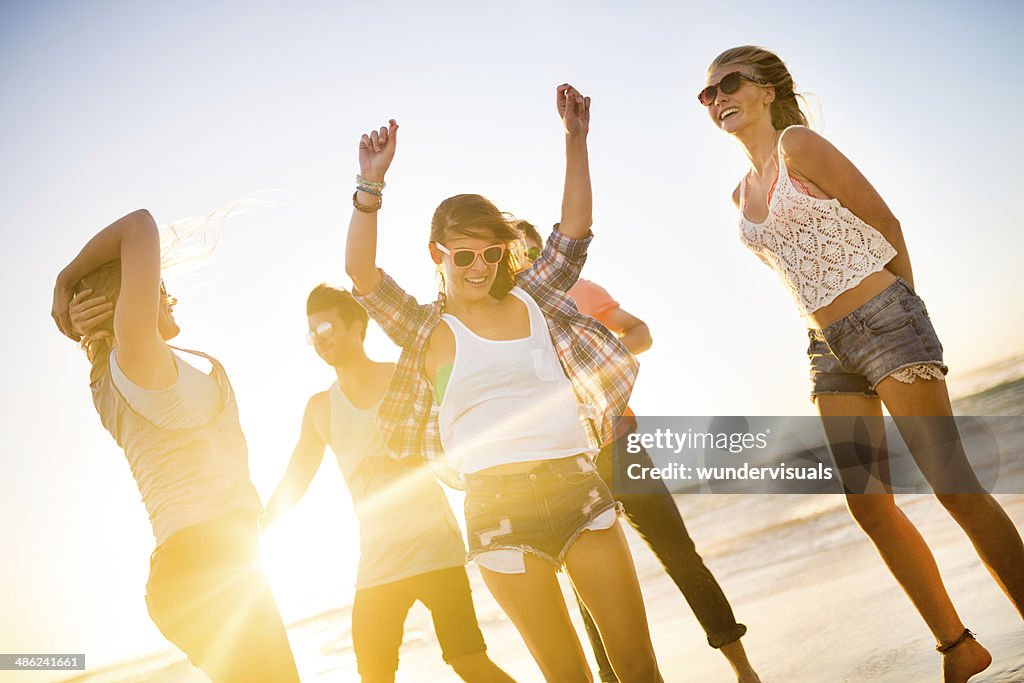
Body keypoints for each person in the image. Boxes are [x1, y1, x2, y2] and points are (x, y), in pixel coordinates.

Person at [700, 45, 1024, 682]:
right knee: (869, 505)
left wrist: (904, 308)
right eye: (707, 94)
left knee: (952, 484)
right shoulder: (738, 193)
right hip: (827, 348)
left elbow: (886, 223)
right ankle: (959, 647)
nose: (717, 100)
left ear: (767, 89)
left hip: (885, 321)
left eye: (729, 84)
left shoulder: (800, 146)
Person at [344, 85, 663, 682]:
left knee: (638, 666)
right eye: (463, 257)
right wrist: (371, 187)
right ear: (436, 254)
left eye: (489, 255)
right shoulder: (425, 328)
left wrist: (576, 139)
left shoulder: (532, 298)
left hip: (576, 488)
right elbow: (360, 276)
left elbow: (574, 231)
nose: (478, 269)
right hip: (497, 513)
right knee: (569, 675)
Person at [50, 209, 299, 682]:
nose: (169, 297)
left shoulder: (122, 372)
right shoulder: (139, 361)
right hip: (206, 563)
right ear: (126, 304)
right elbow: (140, 224)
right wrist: (65, 283)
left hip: (206, 567)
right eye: (158, 289)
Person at [519, 221, 760, 683]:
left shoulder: (581, 292)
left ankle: (744, 671)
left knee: (679, 554)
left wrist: (606, 354)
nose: (529, 264)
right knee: (586, 587)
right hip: (570, 467)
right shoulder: (510, 323)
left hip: (622, 446)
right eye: (519, 258)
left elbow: (639, 332)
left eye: (534, 253)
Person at [261, 284, 515, 683]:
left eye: (326, 329)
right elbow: (296, 479)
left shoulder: (406, 378)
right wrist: (258, 526)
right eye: (312, 334)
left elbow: (454, 438)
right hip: (378, 565)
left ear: (357, 327)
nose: (319, 341)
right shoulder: (319, 409)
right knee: (374, 676)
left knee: (468, 662)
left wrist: (403, 460)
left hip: (436, 551)